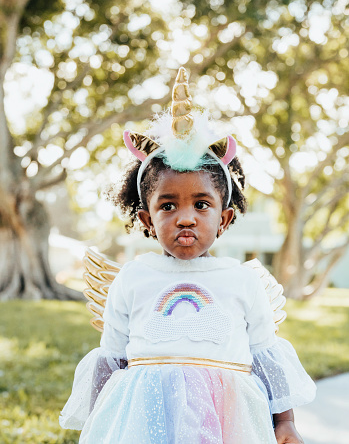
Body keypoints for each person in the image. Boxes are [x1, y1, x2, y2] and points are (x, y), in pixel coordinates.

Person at [60, 68, 316, 443]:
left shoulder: (241, 279)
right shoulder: (133, 277)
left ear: (224, 219)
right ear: (146, 220)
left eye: (201, 204)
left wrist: (285, 422)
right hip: (144, 416)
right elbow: (111, 357)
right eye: (167, 205)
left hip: (228, 416)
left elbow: (265, 355)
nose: (185, 217)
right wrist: (103, 421)